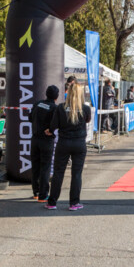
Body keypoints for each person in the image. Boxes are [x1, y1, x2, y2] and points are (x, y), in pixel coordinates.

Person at [45, 83, 92, 211]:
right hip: (79, 144)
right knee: (76, 174)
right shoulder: (85, 108)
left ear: (68, 93)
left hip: (63, 143)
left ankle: (52, 202)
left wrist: (49, 130)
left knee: (58, 173)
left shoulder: (61, 107)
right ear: (80, 94)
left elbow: (54, 125)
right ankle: (74, 203)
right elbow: (87, 120)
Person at [29, 85, 59, 201]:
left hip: (35, 139)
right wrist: (50, 130)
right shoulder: (54, 108)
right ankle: (43, 195)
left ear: (46, 94)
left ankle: (36, 192)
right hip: (47, 140)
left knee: (35, 167)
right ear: (56, 97)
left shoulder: (37, 104)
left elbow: (30, 118)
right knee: (45, 168)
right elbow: (56, 123)